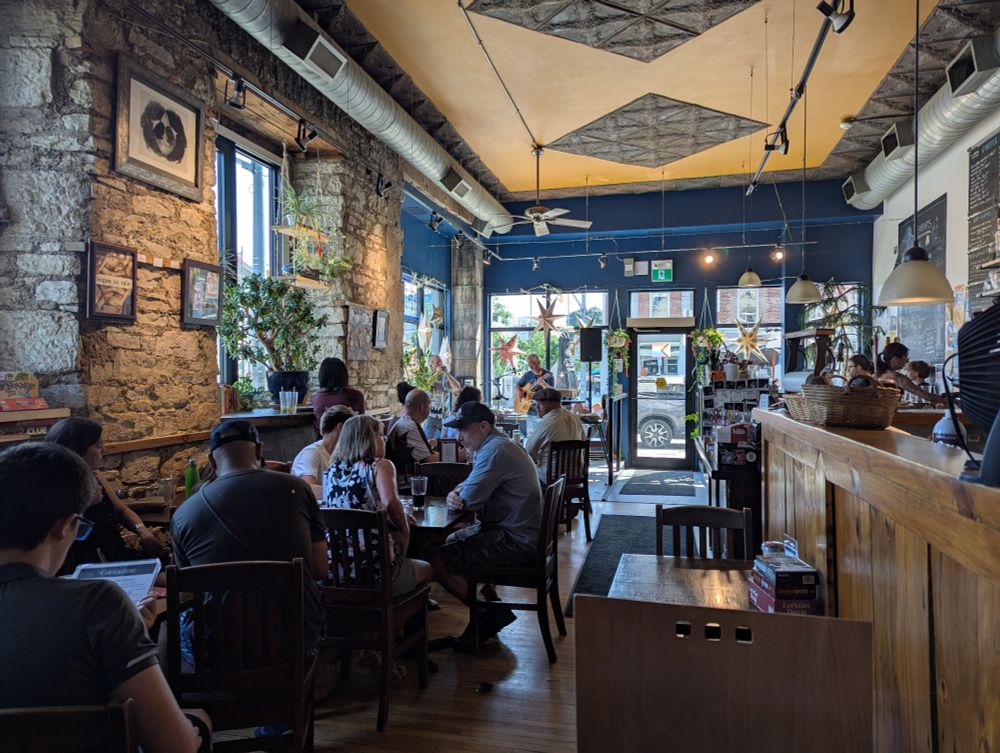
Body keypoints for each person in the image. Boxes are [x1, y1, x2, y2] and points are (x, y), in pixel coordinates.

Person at [0, 442, 210, 753]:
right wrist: (125, 629)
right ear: (65, 526)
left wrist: (123, 635)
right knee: (198, 721)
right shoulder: (97, 604)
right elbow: (173, 746)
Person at [171, 420, 328, 660]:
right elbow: (320, 570)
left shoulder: (184, 513)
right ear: (259, 450)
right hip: (292, 642)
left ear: (212, 461)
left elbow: (188, 590)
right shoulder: (297, 489)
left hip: (219, 649)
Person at [429, 402, 542, 650]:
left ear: (483, 427)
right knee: (451, 542)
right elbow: (467, 487)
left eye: (463, 430)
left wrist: (457, 493)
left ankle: (487, 614)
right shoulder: (495, 446)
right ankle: (492, 611)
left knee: (437, 560)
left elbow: (467, 501)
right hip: (519, 532)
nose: (459, 438)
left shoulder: (496, 451)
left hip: (516, 540)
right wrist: (457, 491)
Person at [324, 415, 432, 596]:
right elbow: (390, 502)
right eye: (382, 436)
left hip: (336, 571)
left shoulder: (332, 470)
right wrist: (404, 528)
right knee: (427, 569)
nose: (384, 440)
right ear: (371, 439)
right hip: (374, 572)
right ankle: (397, 621)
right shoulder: (379, 466)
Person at [45, 417, 166, 574]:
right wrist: (85, 502)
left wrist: (143, 531)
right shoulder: (55, 487)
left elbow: (121, 509)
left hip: (115, 555)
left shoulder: (96, 476)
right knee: (171, 581)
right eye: (98, 446)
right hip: (88, 566)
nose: (104, 450)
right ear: (77, 449)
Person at [523, 387, 586, 481]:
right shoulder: (575, 418)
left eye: (540, 403)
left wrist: (538, 460)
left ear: (553, 404)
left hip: (552, 478)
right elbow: (583, 442)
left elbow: (529, 452)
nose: (537, 407)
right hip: (576, 474)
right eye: (536, 404)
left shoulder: (547, 423)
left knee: (520, 469)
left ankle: (535, 495)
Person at [292, 405, 354, 497]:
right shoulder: (312, 452)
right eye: (352, 429)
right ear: (340, 427)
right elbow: (307, 488)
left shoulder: (344, 453)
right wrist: (344, 494)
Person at [386, 389, 440, 481]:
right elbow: (430, 460)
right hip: (408, 483)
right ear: (422, 407)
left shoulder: (403, 421)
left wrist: (428, 443)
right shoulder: (410, 426)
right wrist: (458, 454)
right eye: (429, 406)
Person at [876, 342, 945, 405]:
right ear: (895, 359)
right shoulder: (897, 377)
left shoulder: (876, 375)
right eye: (905, 356)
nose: (907, 360)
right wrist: (949, 401)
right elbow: (924, 395)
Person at [312, 357, 366, 436]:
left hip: (322, 441)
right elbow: (362, 424)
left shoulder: (315, 397)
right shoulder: (354, 395)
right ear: (344, 374)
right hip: (349, 442)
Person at [425, 354, 462, 441]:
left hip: (444, 413)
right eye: (437, 362)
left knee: (447, 440)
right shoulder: (427, 375)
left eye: (440, 361)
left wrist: (447, 373)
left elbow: (457, 387)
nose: (440, 364)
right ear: (431, 365)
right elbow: (425, 386)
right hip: (430, 414)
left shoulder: (445, 377)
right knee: (428, 439)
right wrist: (436, 374)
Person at [515, 354, 554, 435]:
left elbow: (552, 392)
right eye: (529, 364)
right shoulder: (527, 375)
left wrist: (543, 384)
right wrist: (519, 392)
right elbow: (517, 385)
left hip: (544, 412)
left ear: (538, 362)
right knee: (531, 436)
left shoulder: (548, 375)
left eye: (533, 363)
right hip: (530, 411)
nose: (531, 366)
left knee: (544, 436)